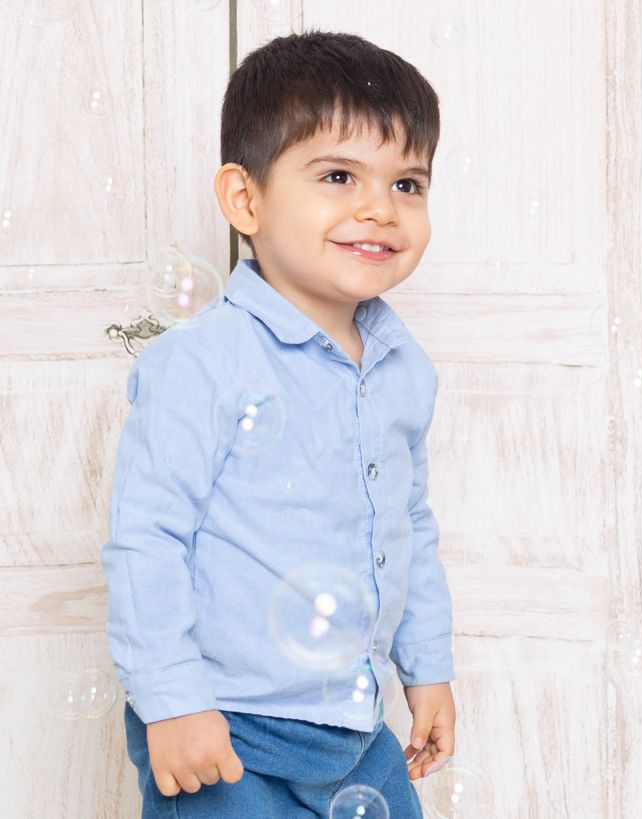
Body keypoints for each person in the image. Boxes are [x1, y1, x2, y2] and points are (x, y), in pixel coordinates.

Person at [100, 29, 456, 818]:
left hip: (356, 729)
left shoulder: (403, 368)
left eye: (407, 183)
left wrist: (427, 667)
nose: (380, 208)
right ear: (245, 200)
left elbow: (409, 523)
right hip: (228, 725)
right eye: (339, 176)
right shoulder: (203, 361)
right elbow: (147, 539)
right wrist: (172, 699)